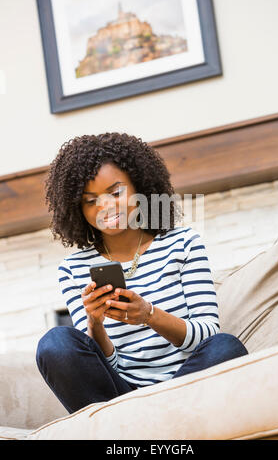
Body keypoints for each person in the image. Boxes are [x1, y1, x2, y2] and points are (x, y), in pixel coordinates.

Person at [36, 132, 248, 414]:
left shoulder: (183, 243)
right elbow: (105, 368)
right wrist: (95, 324)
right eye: (90, 201)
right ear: (77, 209)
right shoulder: (73, 270)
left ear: (139, 186)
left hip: (187, 382)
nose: (106, 207)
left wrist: (149, 315)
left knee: (225, 347)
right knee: (55, 343)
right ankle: (154, 423)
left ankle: (149, 427)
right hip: (121, 398)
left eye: (115, 192)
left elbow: (206, 335)